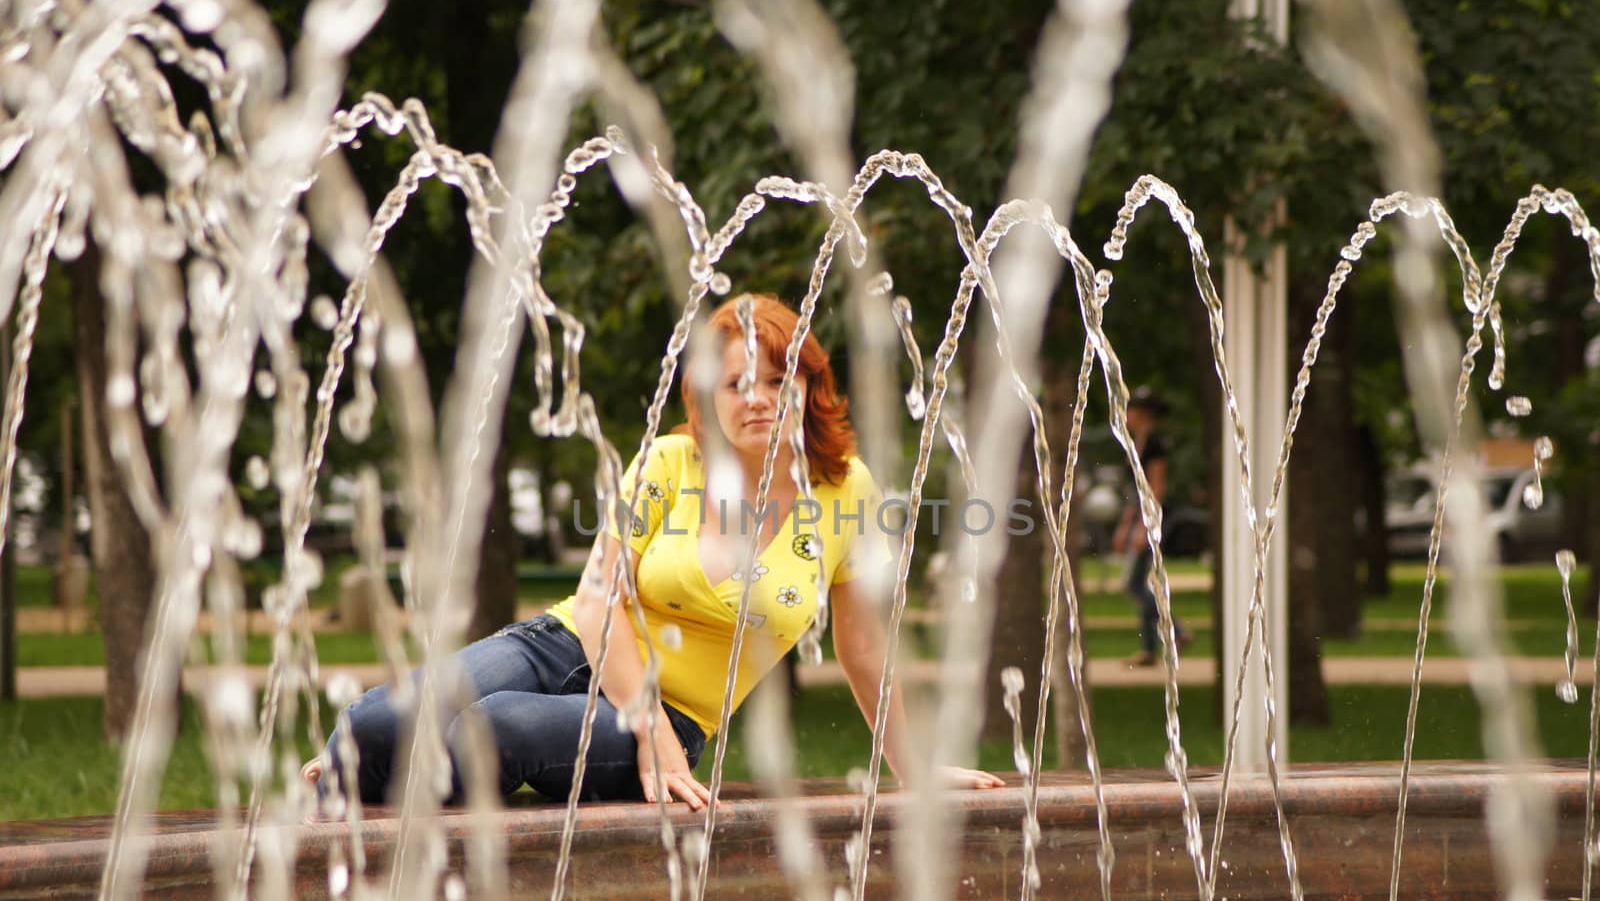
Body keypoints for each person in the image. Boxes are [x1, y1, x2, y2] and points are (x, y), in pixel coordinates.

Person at [302, 294, 1003, 810]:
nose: (756, 399)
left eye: (774, 379)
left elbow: (864, 646)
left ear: (809, 385)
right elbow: (598, 599)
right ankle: (349, 784)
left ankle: (381, 803)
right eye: (735, 384)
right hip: (560, 645)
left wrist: (910, 764)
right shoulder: (670, 461)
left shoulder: (846, 490)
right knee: (371, 722)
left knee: (490, 728)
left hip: (675, 715)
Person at [1110, 386, 1191, 667]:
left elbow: (1156, 488)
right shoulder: (1139, 443)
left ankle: (1176, 630)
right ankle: (1149, 649)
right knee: (1142, 583)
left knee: (1133, 584)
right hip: (1141, 517)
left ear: (1142, 413)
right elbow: (1137, 491)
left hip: (1154, 519)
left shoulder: (1155, 444)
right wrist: (1125, 526)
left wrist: (1146, 527)